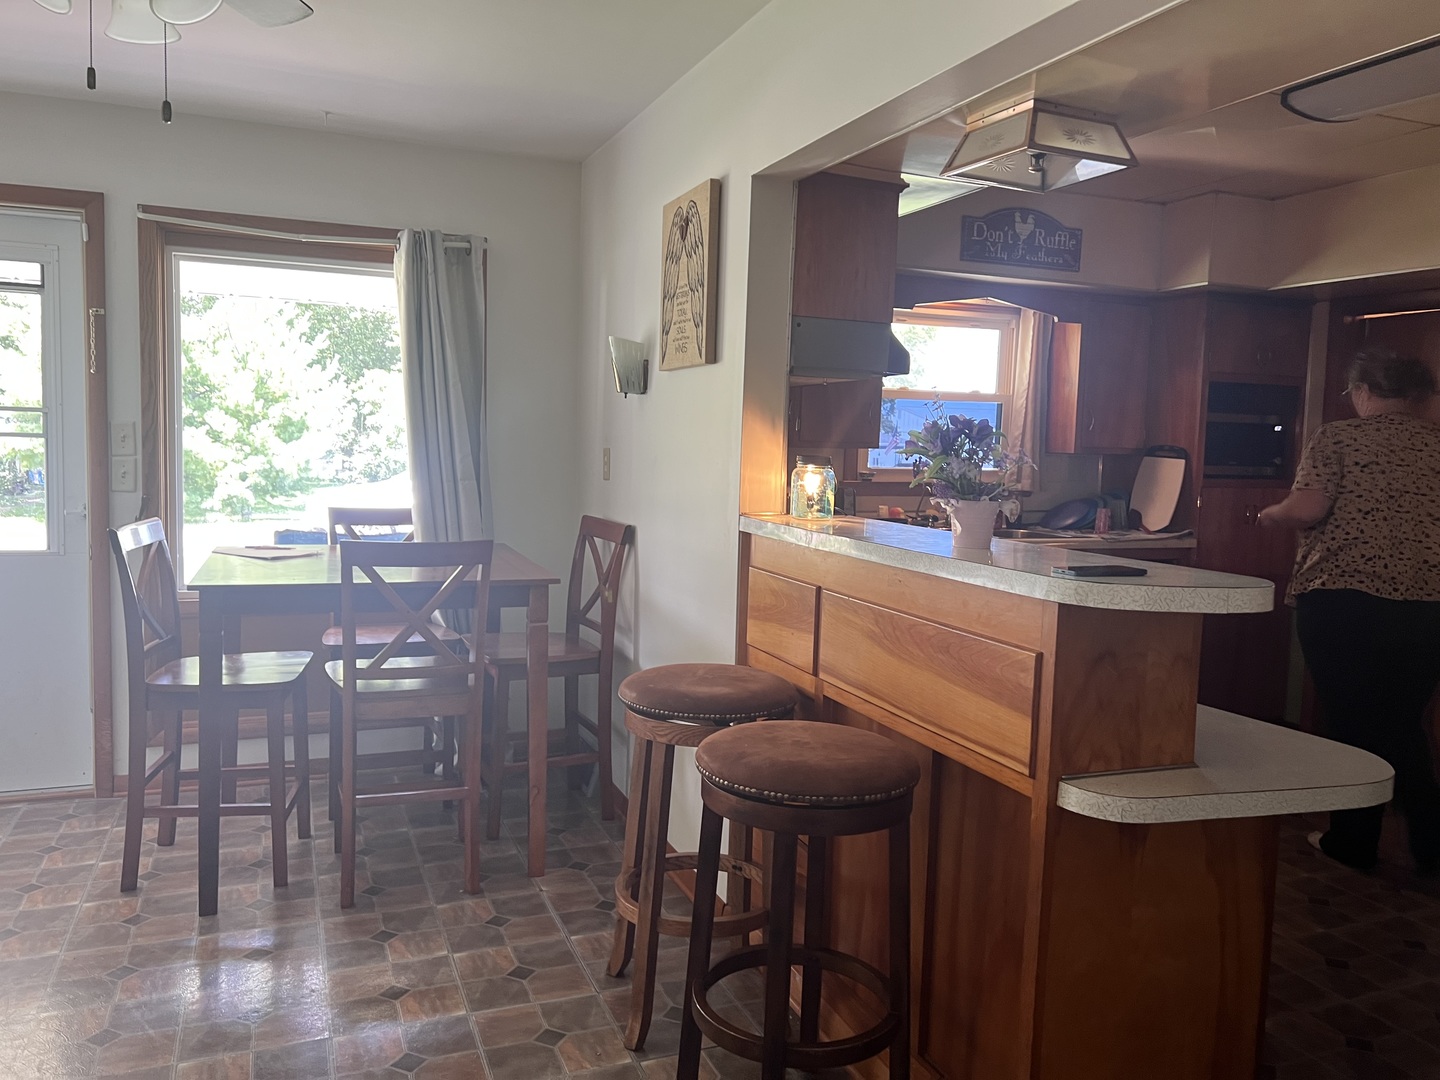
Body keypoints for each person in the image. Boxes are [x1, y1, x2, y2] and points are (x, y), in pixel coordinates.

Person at [1259, 347, 1440, 875]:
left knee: (1350, 721)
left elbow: (1309, 507)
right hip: (1428, 604)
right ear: (1419, 396)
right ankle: (1430, 842)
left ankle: (1354, 841)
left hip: (1344, 599)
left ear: (1362, 391)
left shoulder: (1338, 437)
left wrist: (1272, 514)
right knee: (1403, 722)